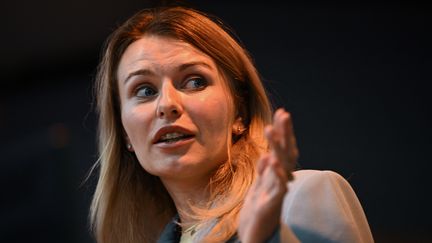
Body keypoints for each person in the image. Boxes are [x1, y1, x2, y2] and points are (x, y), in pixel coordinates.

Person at [90, 6, 374, 243]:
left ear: (239, 110)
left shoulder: (302, 196)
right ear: (124, 131)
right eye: (145, 91)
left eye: (194, 82)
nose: (167, 104)